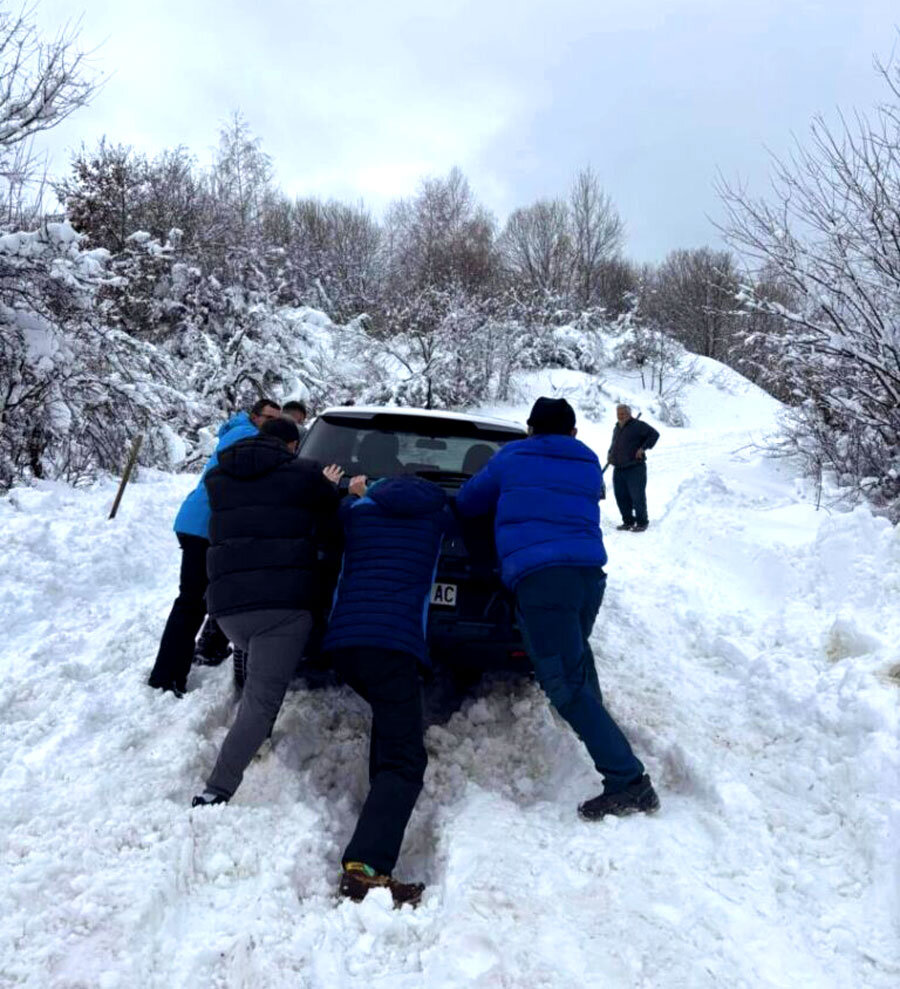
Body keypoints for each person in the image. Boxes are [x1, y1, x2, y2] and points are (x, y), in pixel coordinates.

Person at [456, 396, 659, 821]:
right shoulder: (586, 459)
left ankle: (628, 779)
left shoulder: (511, 457)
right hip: (587, 576)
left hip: (542, 579)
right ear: (572, 432)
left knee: (563, 684)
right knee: (577, 662)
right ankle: (609, 744)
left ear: (530, 429)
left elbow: (469, 502)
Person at [191, 417, 343, 806]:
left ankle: (240, 750)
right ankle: (217, 790)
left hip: (228, 607)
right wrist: (335, 487)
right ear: (293, 445)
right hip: (282, 608)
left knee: (258, 680)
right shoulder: (305, 474)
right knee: (261, 701)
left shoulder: (220, 476)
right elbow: (331, 524)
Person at [322, 473, 451, 907]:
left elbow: (330, 512)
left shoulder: (358, 513)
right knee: (406, 759)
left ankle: (377, 819)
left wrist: (351, 492)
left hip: (345, 644)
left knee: (393, 727)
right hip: (392, 646)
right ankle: (366, 867)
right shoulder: (437, 516)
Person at [148, 398, 282, 695]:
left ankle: (181, 664)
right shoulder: (246, 436)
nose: (272, 423)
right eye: (269, 417)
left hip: (204, 524)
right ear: (254, 416)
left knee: (199, 600)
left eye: (277, 418)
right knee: (192, 602)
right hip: (204, 526)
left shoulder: (242, 432)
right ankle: (166, 676)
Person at [607, 404, 659, 532]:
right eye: (618, 414)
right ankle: (628, 521)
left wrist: (643, 448)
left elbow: (654, 434)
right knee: (621, 496)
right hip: (619, 467)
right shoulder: (617, 428)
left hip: (635, 467)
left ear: (629, 414)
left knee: (637, 496)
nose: (620, 416)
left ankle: (642, 522)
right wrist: (610, 454)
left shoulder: (638, 425)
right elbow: (615, 444)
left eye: (623, 413)